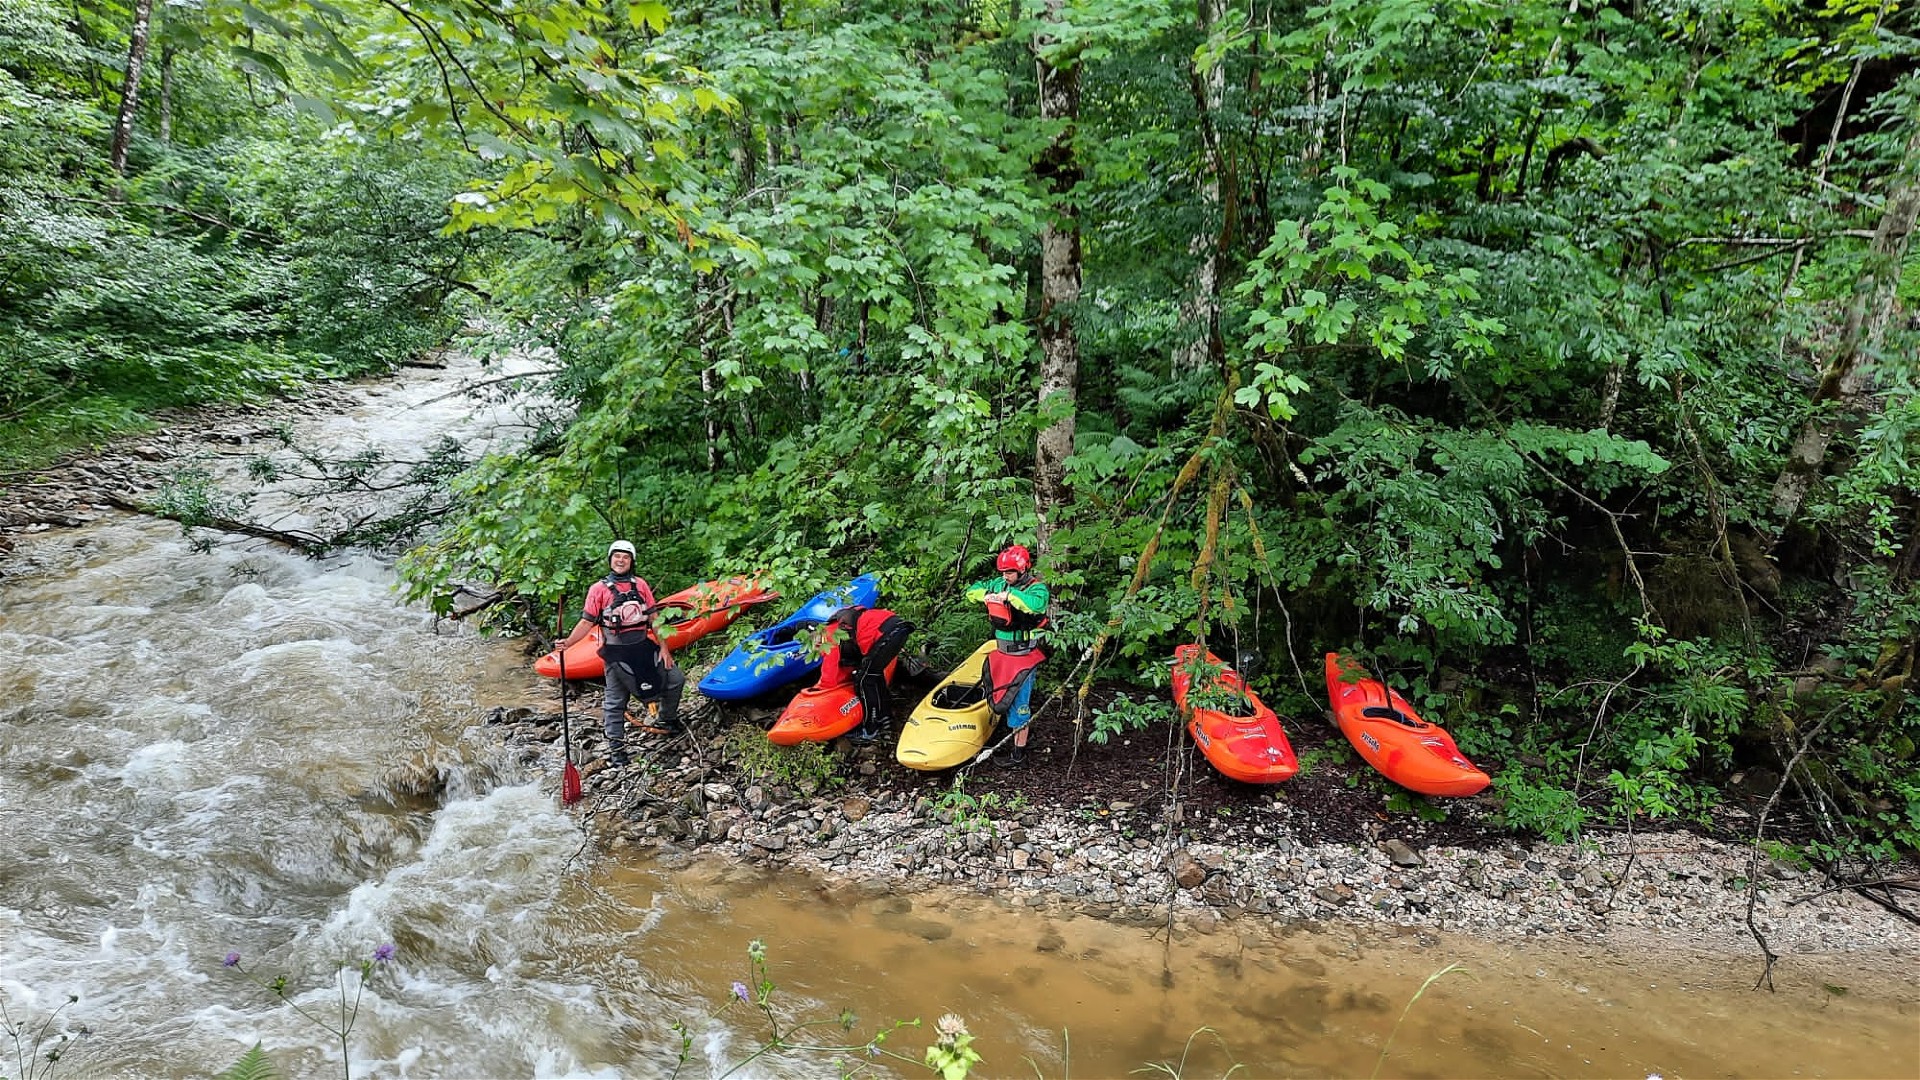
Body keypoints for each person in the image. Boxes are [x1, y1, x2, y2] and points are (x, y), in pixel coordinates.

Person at [553, 540, 685, 767]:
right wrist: (569, 643)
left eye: (625, 557)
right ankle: (617, 748)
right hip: (615, 652)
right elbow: (586, 623)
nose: (620, 560)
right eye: (616, 557)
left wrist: (664, 647)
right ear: (610, 560)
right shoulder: (598, 590)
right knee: (616, 701)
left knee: (675, 679)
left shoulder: (640, 585)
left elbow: (654, 620)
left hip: (643, 646)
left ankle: (667, 719)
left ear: (631, 561)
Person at [963, 544, 1050, 766]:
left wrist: (1008, 596)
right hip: (1002, 654)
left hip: (1024, 656)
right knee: (999, 693)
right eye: (1003, 572)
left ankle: (1018, 754)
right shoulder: (999, 584)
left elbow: (1033, 605)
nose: (1006, 577)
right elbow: (972, 591)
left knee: (1020, 703)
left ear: (1022, 570)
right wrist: (989, 595)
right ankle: (996, 734)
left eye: (1010, 572)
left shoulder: (1036, 589)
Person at [814, 604, 913, 742]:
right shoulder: (840, 624)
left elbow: (830, 670)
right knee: (873, 675)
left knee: (863, 680)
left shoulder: (828, 634)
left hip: (887, 631)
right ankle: (885, 718)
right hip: (898, 627)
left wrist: (822, 690)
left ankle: (869, 730)